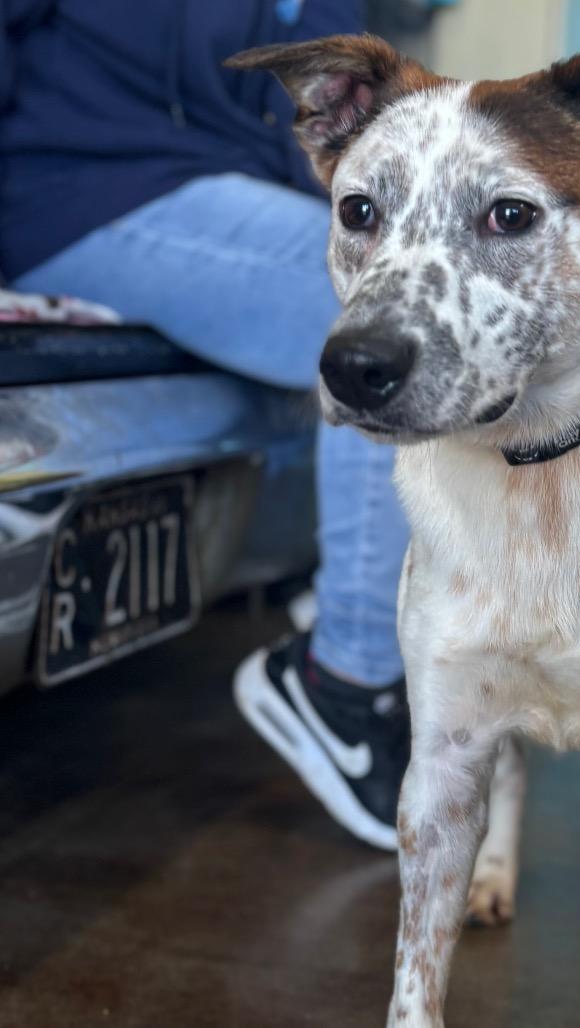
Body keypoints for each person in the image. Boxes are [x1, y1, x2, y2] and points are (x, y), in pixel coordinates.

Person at [0, 0, 410, 850]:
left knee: (410, 276)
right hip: (72, 188)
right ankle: (346, 681)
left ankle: (368, 628)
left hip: (223, 195)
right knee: (369, 300)